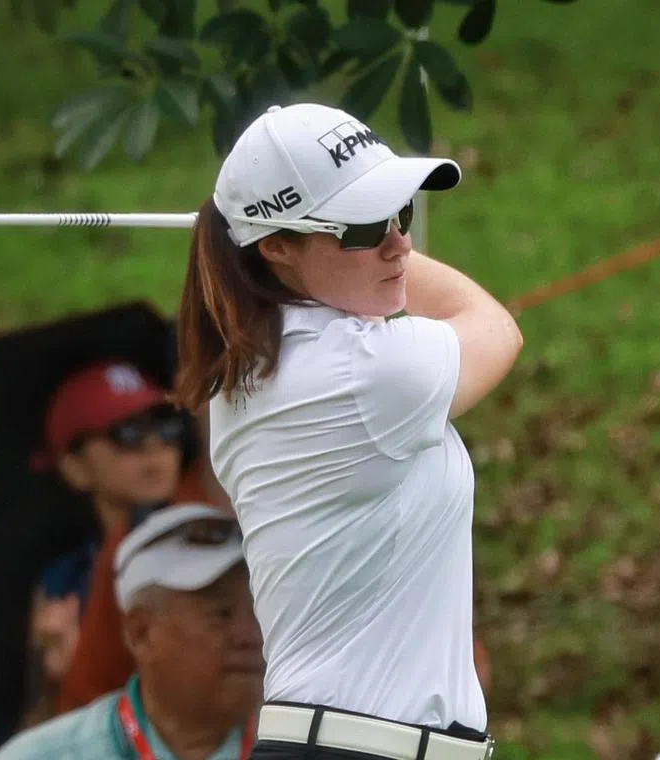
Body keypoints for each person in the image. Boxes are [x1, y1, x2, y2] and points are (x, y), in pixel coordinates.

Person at [172, 102, 524, 760]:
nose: (401, 242)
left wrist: (260, 240)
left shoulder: (261, 365)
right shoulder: (364, 374)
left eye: (403, 213)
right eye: (364, 224)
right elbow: (494, 326)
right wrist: (239, 239)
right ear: (276, 245)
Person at [0, 504, 265, 760]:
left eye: (260, 612)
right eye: (221, 613)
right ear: (141, 632)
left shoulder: (297, 749)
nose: (252, 636)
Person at [26, 361, 189, 714]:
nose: (153, 447)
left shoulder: (218, 536)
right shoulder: (62, 583)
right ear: (75, 468)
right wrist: (59, 677)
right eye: (128, 433)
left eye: (166, 425)